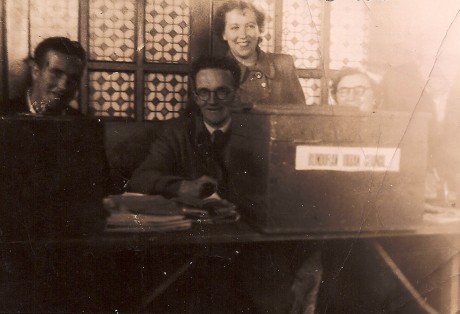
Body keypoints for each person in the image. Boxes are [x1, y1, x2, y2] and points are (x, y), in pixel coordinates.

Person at [128, 56, 241, 200]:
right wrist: (180, 187)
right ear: (195, 97)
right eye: (204, 92)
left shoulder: (257, 135)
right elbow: (141, 178)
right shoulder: (175, 133)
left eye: (222, 92)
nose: (212, 101)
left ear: (237, 95)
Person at [213, 0, 305, 106]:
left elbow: (301, 116)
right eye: (235, 27)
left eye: (250, 26)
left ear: (259, 30)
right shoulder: (215, 71)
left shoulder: (284, 65)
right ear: (224, 34)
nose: (243, 35)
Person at [4, 36, 86, 115]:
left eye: (74, 78)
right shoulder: (5, 113)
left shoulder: (82, 124)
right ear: (35, 72)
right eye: (56, 74)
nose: (63, 86)